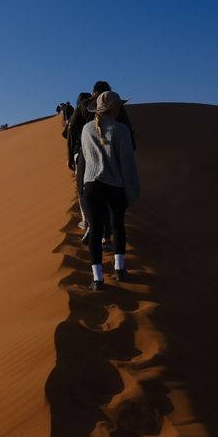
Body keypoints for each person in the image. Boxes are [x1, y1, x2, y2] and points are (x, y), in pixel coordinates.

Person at [81, 90, 141, 290]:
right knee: (118, 226)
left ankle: (97, 279)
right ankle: (119, 269)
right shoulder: (121, 130)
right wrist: (131, 191)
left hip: (91, 185)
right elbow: (127, 164)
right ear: (115, 109)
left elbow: (86, 160)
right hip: (114, 185)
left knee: (96, 230)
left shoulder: (86, 129)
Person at [66, 92, 93, 228]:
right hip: (95, 155)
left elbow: (66, 134)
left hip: (79, 154)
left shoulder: (76, 115)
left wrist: (69, 157)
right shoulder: (94, 114)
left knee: (81, 188)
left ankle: (86, 220)